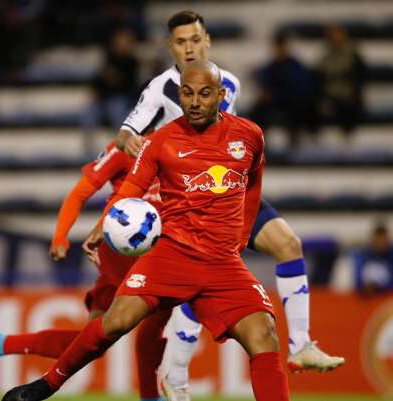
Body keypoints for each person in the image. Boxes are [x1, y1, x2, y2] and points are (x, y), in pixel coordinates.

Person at [2, 60, 290, 401]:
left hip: (223, 264)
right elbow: (130, 190)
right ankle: (45, 385)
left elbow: (254, 183)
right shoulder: (160, 142)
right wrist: (102, 224)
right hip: (173, 254)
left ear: (221, 95)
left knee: (264, 335)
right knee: (116, 322)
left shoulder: (249, 135)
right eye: (187, 93)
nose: (195, 102)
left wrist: (242, 235)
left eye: (204, 94)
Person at [113, 11, 343, 401]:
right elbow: (126, 132)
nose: (189, 47)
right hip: (188, 201)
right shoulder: (159, 89)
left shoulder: (228, 82)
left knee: (289, 244)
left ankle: (300, 344)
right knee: (203, 278)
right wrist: (133, 142)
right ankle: (175, 371)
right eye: (181, 42)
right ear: (171, 47)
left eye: (195, 39)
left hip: (228, 190)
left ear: (207, 42)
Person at [0, 141, 170, 401]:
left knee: (92, 339)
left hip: (154, 248)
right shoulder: (125, 147)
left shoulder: (177, 145)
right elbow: (80, 192)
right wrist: (60, 236)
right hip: (122, 251)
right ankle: (150, 396)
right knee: (154, 314)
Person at [250, 32, 319, 147]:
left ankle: (294, 142)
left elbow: (300, 89)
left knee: (296, 109)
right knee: (258, 109)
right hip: (276, 102)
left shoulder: (296, 67)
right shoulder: (271, 67)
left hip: (292, 102)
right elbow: (263, 79)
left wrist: (274, 95)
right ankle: (258, 143)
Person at [317, 25, 366, 141]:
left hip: (348, 94)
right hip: (331, 95)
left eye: (338, 34)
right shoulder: (326, 54)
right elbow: (320, 77)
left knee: (349, 107)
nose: (336, 37)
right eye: (333, 35)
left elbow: (360, 76)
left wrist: (355, 93)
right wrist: (321, 98)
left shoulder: (353, 53)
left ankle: (348, 137)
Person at [354, 223, 393, 295]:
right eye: (378, 241)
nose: (381, 244)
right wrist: (364, 287)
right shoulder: (363, 255)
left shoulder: (391, 256)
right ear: (373, 240)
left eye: (383, 241)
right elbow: (357, 282)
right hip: (366, 298)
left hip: (386, 299)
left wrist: (378, 287)